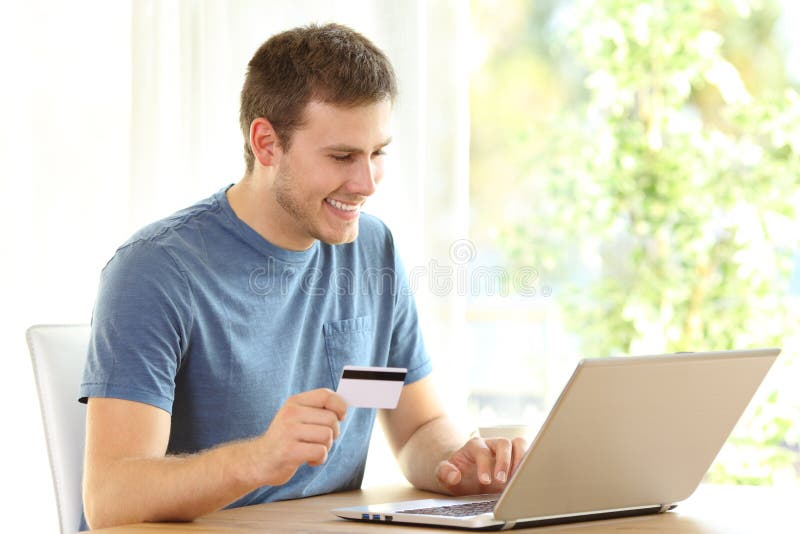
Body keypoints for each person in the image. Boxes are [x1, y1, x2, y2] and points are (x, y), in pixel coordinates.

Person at [79, 23, 527, 530]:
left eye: (377, 153)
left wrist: (460, 464)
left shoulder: (371, 250)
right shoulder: (157, 272)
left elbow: (417, 427)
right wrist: (258, 458)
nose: (366, 183)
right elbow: (110, 498)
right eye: (342, 157)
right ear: (267, 143)